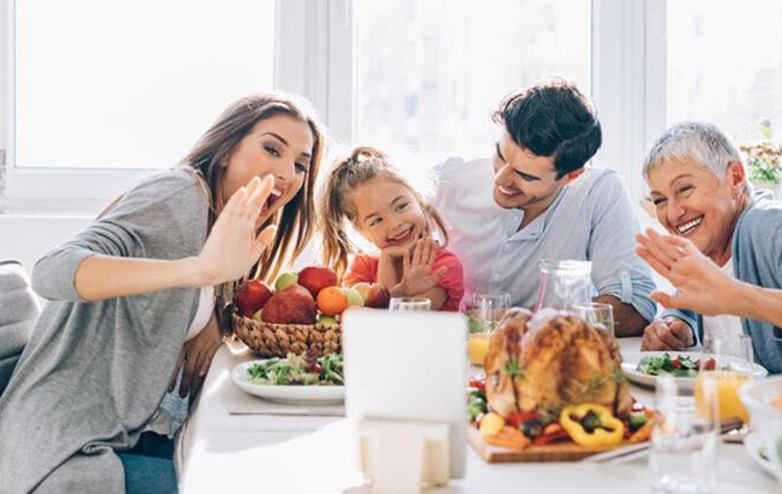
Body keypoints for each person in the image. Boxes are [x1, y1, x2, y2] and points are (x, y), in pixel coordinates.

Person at [0, 93, 325, 493]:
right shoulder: (178, 194)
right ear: (226, 151)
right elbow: (51, 271)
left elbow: (178, 306)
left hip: (128, 436)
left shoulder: (222, 226)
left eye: (299, 165)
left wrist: (214, 317)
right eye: (271, 149)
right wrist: (196, 272)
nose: (286, 174)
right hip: (62, 454)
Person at [637, 121, 782, 374]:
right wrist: (676, 322)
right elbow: (704, 299)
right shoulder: (711, 246)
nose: (673, 212)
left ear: (735, 178)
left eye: (685, 189)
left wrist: (738, 298)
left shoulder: (774, 224)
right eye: (660, 200)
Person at [431, 78, 655, 335]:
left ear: (572, 176)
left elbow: (636, 309)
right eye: (500, 156)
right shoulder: (452, 181)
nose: (501, 179)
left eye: (526, 176)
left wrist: (532, 324)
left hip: (548, 364)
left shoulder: (599, 192)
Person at [321, 146, 464, 311]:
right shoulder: (363, 268)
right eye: (377, 220)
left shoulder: (444, 266)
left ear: (418, 200)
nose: (395, 224)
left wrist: (392, 286)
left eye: (401, 206)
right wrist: (387, 262)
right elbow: (361, 322)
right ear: (363, 232)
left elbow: (400, 326)